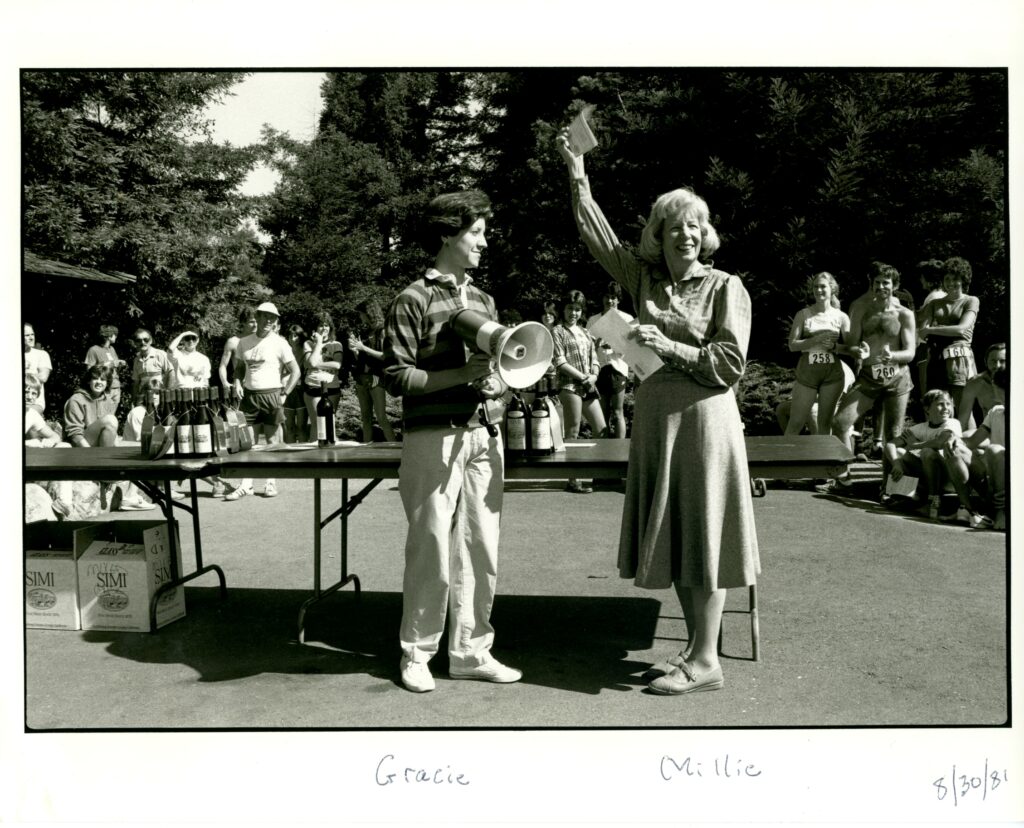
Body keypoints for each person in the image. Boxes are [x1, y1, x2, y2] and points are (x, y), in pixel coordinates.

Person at [557, 126, 759, 697]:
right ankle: (700, 653)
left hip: (704, 423)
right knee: (677, 538)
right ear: (659, 237)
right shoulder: (641, 276)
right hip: (656, 424)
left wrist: (669, 346)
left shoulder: (726, 286)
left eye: (694, 226)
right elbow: (595, 235)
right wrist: (577, 171)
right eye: (674, 228)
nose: (685, 235)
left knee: (706, 538)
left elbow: (729, 363)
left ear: (706, 235)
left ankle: (704, 658)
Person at [382, 189, 520, 694]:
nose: (485, 241)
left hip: (485, 435)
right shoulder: (412, 299)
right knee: (432, 547)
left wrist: (496, 383)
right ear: (447, 234)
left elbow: (507, 369)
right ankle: (417, 652)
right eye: (476, 232)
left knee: (482, 548)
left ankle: (471, 651)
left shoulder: (483, 300)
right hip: (433, 438)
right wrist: (460, 375)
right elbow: (396, 376)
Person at [829, 262, 917, 491]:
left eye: (885, 283)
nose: (881, 287)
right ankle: (844, 477)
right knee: (840, 422)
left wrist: (893, 355)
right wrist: (857, 350)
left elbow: (910, 352)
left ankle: (889, 489)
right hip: (869, 376)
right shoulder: (861, 308)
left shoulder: (904, 314)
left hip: (897, 378)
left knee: (893, 435)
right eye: (877, 283)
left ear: (894, 285)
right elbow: (852, 344)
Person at [225, 301, 301, 500]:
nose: (269, 320)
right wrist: (237, 382)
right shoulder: (244, 342)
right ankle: (246, 485)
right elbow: (240, 368)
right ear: (256, 317)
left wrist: (284, 394)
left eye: (273, 317)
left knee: (272, 442)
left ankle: (270, 482)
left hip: (272, 395)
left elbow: (296, 371)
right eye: (265, 316)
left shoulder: (280, 342)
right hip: (249, 397)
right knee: (247, 443)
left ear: (276, 321)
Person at [784, 272, 851, 436]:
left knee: (825, 425)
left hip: (832, 373)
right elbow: (792, 345)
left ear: (832, 289)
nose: (819, 290)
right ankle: (784, 459)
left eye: (823, 286)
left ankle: (824, 461)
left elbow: (850, 348)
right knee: (796, 422)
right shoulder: (803, 314)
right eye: (816, 287)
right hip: (808, 371)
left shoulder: (841, 316)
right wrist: (816, 340)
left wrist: (835, 347)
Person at [553, 289, 606, 493]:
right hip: (570, 386)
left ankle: (600, 475)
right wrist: (583, 377)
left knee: (601, 430)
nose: (573, 313)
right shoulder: (557, 331)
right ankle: (573, 479)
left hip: (588, 386)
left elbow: (595, 358)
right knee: (573, 432)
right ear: (563, 310)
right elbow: (560, 362)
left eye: (577, 309)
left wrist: (593, 375)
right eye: (569, 309)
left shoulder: (585, 332)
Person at [882, 389, 963, 520]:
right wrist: (896, 464)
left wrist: (914, 445)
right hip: (928, 474)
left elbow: (939, 442)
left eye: (948, 404)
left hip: (949, 476)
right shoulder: (920, 428)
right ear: (927, 409)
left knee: (927, 452)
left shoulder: (953, 423)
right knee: (898, 452)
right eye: (940, 404)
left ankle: (933, 501)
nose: (946, 408)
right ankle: (904, 494)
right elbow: (890, 445)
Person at [942, 365, 1006, 530]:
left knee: (994, 450)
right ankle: (969, 511)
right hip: (991, 480)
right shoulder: (996, 412)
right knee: (954, 448)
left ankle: (1002, 512)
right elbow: (972, 442)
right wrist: (954, 439)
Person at [917, 256, 979, 408]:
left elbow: (962, 328)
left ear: (963, 279)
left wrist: (934, 330)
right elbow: (922, 333)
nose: (951, 283)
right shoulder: (934, 303)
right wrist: (951, 331)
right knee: (939, 406)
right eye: (947, 278)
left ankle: (967, 433)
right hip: (936, 358)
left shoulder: (971, 300)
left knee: (962, 407)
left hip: (959, 358)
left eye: (955, 278)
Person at [586, 281, 633, 440]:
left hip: (618, 368)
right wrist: (595, 344)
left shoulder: (627, 318)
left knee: (618, 412)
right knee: (602, 412)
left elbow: (631, 349)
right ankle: (603, 451)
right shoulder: (593, 320)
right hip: (599, 369)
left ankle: (620, 450)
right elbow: (586, 348)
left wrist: (613, 345)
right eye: (607, 296)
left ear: (618, 300)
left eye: (613, 297)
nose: (610, 300)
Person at [349, 298, 398, 442]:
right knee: (365, 418)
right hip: (361, 377)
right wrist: (355, 350)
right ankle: (366, 450)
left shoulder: (382, 330)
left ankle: (394, 449)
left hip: (376, 377)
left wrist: (363, 347)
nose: (360, 317)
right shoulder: (365, 331)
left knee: (381, 418)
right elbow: (361, 358)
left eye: (361, 314)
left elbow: (385, 356)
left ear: (368, 312)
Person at [302, 312, 346, 442]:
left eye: (326, 325)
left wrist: (316, 364)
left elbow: (337, 364)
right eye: (321, 325)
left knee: (329, 423)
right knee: (316, 424)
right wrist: (318, 343)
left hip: (332, 387)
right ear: (315, 328)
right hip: (313, 387)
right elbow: (308, 363)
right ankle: (312, 458)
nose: (324, 328)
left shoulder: (336, 344)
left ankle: (331, 457)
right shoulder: (308, 343)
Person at [958, 342, 1006, 431]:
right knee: (965, 436)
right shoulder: (975, 384)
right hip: (989, 434)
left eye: (1002, 361)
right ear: (986, 362)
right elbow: (962, 421)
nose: (997, 366)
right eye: (993, 361)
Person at [84, 324, 126, 408]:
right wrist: (108, 364)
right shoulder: (93, 350)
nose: (116, 337)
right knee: (102, 415)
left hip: (116, 387)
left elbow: (115, 366)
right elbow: (89, 370)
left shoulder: (112, 349)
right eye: (115, 335)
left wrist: (120, 364)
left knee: (111, 416)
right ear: (109, 336)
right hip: (104, 388)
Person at [218, 306, 258, 394]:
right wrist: (225, 382)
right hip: (240, 386)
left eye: (256, 321)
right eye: (251, 322)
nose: (255, 325)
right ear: (243, 323)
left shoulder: (261, 341)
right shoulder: (233, 341)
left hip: (259, 386)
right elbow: (223, 366)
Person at [281, 323, 309, 443]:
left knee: (301, 428)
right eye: (291, 336)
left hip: (301, 392)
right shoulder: (284, 350)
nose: (293, 339)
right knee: (289, 427)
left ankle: (303, 456)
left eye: (296, 336)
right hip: (287, 392)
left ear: (301, 336)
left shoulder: (305, 350)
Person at [130, 327, 174, 400]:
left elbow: (171, 372)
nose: (142, 343)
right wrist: (134, 399)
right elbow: (136, 382)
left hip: (159, 397)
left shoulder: (160, 354)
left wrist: (168, 394)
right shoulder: (136, 360)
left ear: (151, 341)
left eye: (146, 340)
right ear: (135, 343)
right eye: (138, 340)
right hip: (144, 397)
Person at [23, 323, 52, 413]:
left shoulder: (42, 354)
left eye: (32, 334)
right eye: (27, 335)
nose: (31, 338)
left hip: (35, 403)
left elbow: (43, 377)